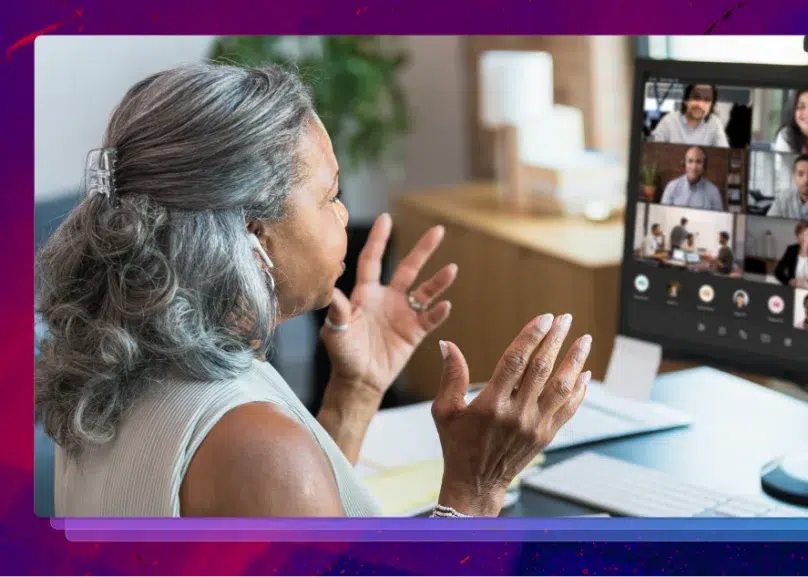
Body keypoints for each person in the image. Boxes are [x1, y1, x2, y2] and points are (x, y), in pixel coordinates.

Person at [35, 63, 592, 518]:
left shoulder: (115, 375)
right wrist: (476, 487)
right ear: (253, 235)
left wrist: (354, 394)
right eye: (329, 196)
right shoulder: (253, 446)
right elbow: (272, 478)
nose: (344, 213)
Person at [648, 84, 730, 147]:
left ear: (711, 106)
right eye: (696, 98)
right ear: (686, 100)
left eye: (707, 100)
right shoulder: (669, 120)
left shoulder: (715, 123)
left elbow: (724, 154)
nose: (700, 105)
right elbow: (652, 149)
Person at [660, 147, 724, 210]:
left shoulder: (713, 192)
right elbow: (663, 215)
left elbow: (718, 219)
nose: (694, 167)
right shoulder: (672, 187)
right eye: (690, 161)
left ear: (704, 166)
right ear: (684, 164)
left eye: (698, 162)